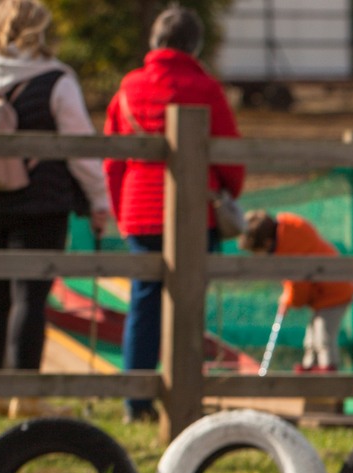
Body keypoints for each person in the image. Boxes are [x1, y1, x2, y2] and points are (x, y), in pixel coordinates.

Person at [102, 5, 243, 422]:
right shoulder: (205, 87)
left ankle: (136, 402)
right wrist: (228, 192)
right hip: (193, 212)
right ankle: (186, 398)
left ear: (155, 41)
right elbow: (230, 154)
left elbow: (112, 158)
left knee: (143, 304)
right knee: (188, 305)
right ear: (194, 45)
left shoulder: (129, 87)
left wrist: (119, 209)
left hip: (139, 208)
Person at [0, 0, 110, 414]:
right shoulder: (56, 79)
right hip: (40, 203)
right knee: (29, 297)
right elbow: (80, 148)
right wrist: (99, 200)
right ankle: (23, 394)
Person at [241, 210, 353, 372]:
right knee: (311, 339)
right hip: (325, 293)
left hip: (335, 291)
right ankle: (310, 372)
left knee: (323, 337)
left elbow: (299, 287)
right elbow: (293, 281)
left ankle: (328, 377)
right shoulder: (287, 235)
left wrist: (289, 300)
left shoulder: (288, 247)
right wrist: (288, 296)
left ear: (266, 243)